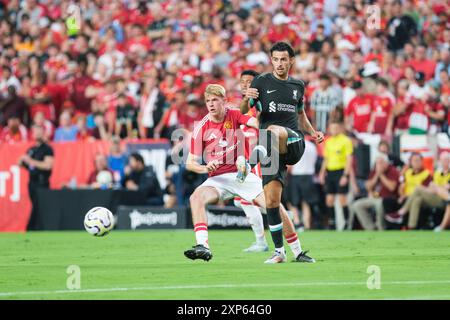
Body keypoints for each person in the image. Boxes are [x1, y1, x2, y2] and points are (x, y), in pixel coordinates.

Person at [184, 84, 314, 263]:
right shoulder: (202, 127)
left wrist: (269, 128)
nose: (211, 104)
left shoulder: (234, 114)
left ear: (224, 101)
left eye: (215, 100)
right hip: (218, 179)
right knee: (195, 197)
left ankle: (297, 252)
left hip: (242, 175)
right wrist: (206, 168)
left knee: (273, 206)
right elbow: (190, 163)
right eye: (208, 101)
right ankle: (203, 246)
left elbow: (255, 123)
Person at [239, 42, 324, 263]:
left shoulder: (298, 85)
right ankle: (285, 252)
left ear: (291, 61)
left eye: (283, 59)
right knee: (272, 202)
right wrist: (247, 97)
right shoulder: (261, 81)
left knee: (272, 130)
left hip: (293, 142)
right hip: (270, 150)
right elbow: (241, 112)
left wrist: (313, 133)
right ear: (271, 60)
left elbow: (301, 115)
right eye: (276, 59)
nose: (279, 63)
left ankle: (248, 164)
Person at [237, 69, 304, 254]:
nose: (246, 85)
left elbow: (261, 125)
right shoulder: (243, 106)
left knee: (269, 203)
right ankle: (264, 241)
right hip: (251, 156)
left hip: (265, 154)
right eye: (243, 82)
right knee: (245, 200)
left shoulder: (259, 104)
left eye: (250, 82)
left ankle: (286, 236)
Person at [397, 152, 450, 229]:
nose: (446, 162)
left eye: (447, 160)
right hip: (435, 197)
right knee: (417, 199)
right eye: (444, 160)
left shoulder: (427, 173)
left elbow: (445, 187)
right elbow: (433, 187)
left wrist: (437, 188)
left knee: (418, 188)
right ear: (440, 161)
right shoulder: (437, 173)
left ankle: (402, 212)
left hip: (444, 199)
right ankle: (411, 226)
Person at [18, 124, 54, 230]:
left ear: (42, 132)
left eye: (38, 131)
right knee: (35, 205)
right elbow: (25, 164)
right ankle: (35, 228)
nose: (35, 133)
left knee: (39, 206)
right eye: (34, 131)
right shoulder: (31, 149)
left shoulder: (47, 149)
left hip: (42, 182)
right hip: (32, 182)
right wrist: (22, 161)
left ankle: (31, 228)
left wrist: (30, 161)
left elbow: (48, 165)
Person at [319, 121, 354, 229]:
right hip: (330, 172)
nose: (333, 130)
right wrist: (321, 173)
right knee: (329, 199)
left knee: (342, 199)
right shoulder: (328, 141)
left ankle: (347, 223)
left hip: (341, 171)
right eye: (332, 128)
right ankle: (332, 224)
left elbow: (349, 159)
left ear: (340, 128)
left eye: (336, 128)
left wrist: (345, 175)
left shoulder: (346, 140)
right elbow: (326, 159)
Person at [351, 154, 400, 230]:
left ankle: (381, 227)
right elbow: (367, 187)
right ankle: (370, 228)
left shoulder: (393, 170)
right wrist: (377, 174)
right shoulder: (374, 171)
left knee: (380, 203)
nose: (379, 165)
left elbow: (392, 188)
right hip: (374, 197)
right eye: (377, 163)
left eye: (381, 162)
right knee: (357, 205)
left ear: (386, 163)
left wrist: (381, 175)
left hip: (388, 199)